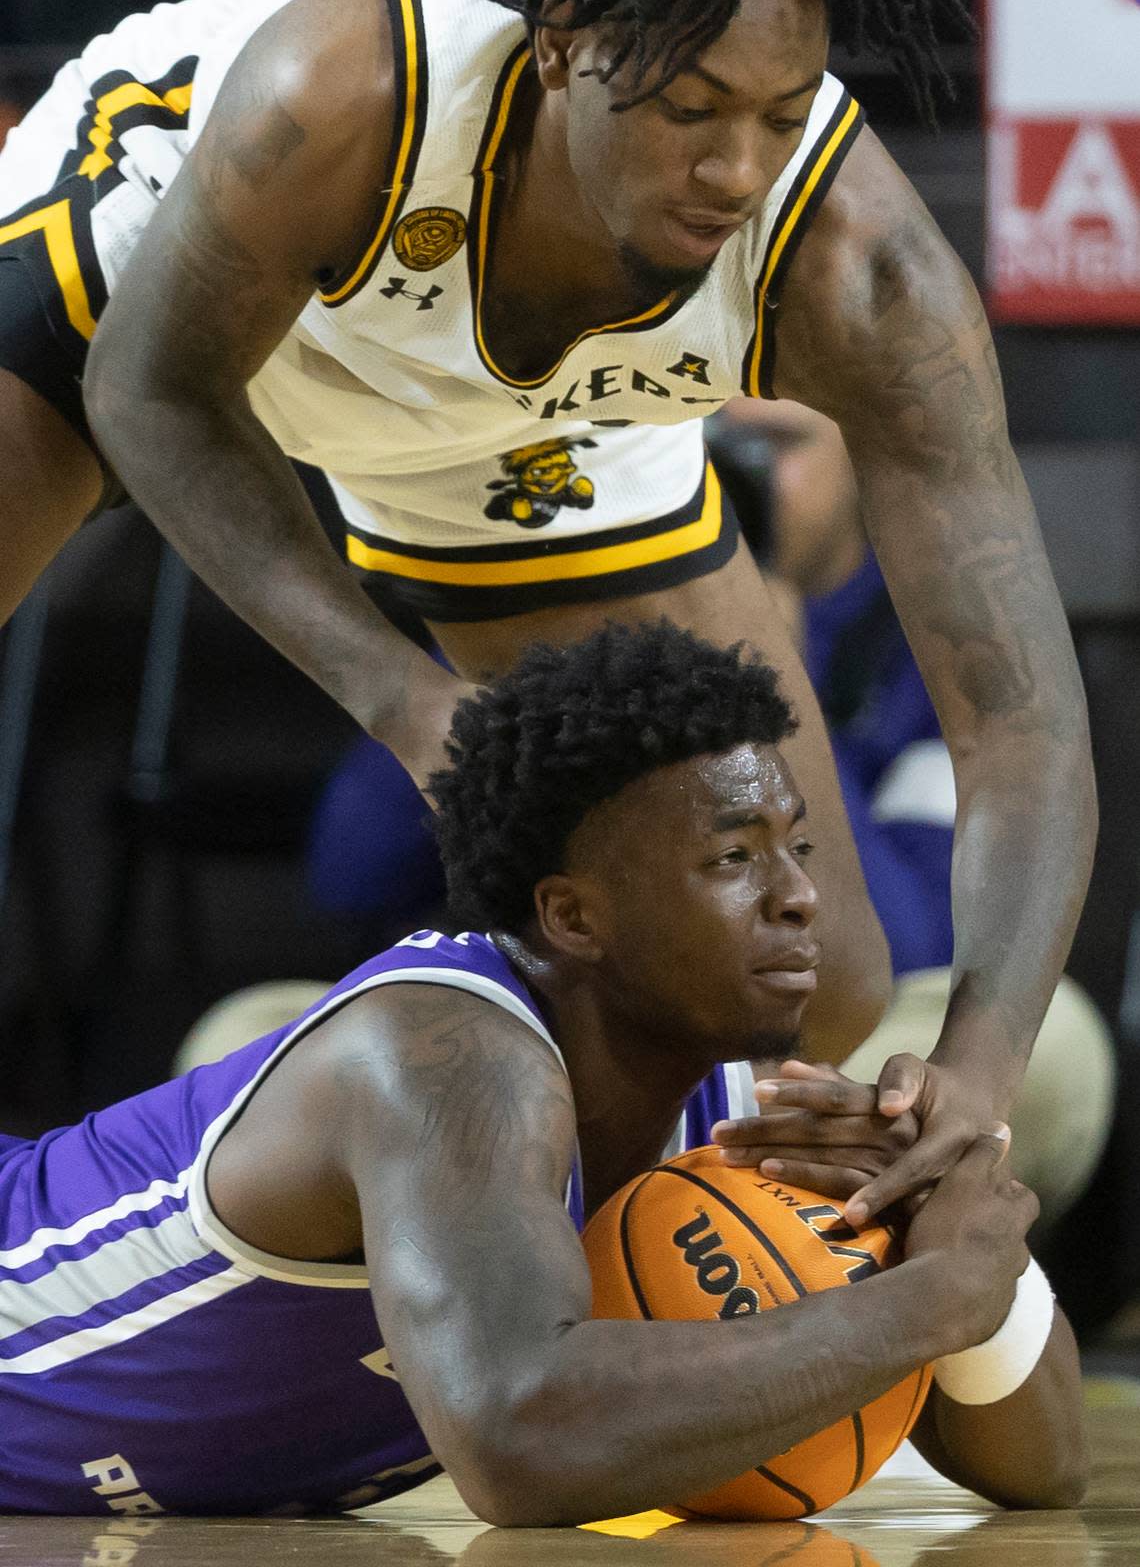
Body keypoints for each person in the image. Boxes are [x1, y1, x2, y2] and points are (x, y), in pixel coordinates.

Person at [0, 0, 1096, 1218]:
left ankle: (536, 1286)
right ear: (568, 42)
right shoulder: (343, 90)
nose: (736, 169)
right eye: (692, 108)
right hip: (167, 278)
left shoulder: (860, 268)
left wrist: (986, 1065)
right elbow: (152, 397)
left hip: (532, 418)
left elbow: (1017, 719)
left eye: (782, 111)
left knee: (818, 986)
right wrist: (408, 708)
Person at [0, 623, 1086, 1519]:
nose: (800, 894)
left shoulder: (740, 1109)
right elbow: (521, 1438)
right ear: (573, 915)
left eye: (796, 845)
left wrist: (967, 1243)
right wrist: (929, 1300)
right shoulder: (442, 1056)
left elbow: (1043, 1467)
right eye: (731, 858)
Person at [706, 397, 1116, 1231]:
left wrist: (777, 682)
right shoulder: (602, 585)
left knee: (1054, 1054)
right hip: (643, 1032)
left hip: (832, 1047)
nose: (725, 469)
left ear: (862, 452)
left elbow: (913, 945)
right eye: (704, 441)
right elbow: (363, 874)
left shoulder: (928, 635)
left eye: (770, 445)